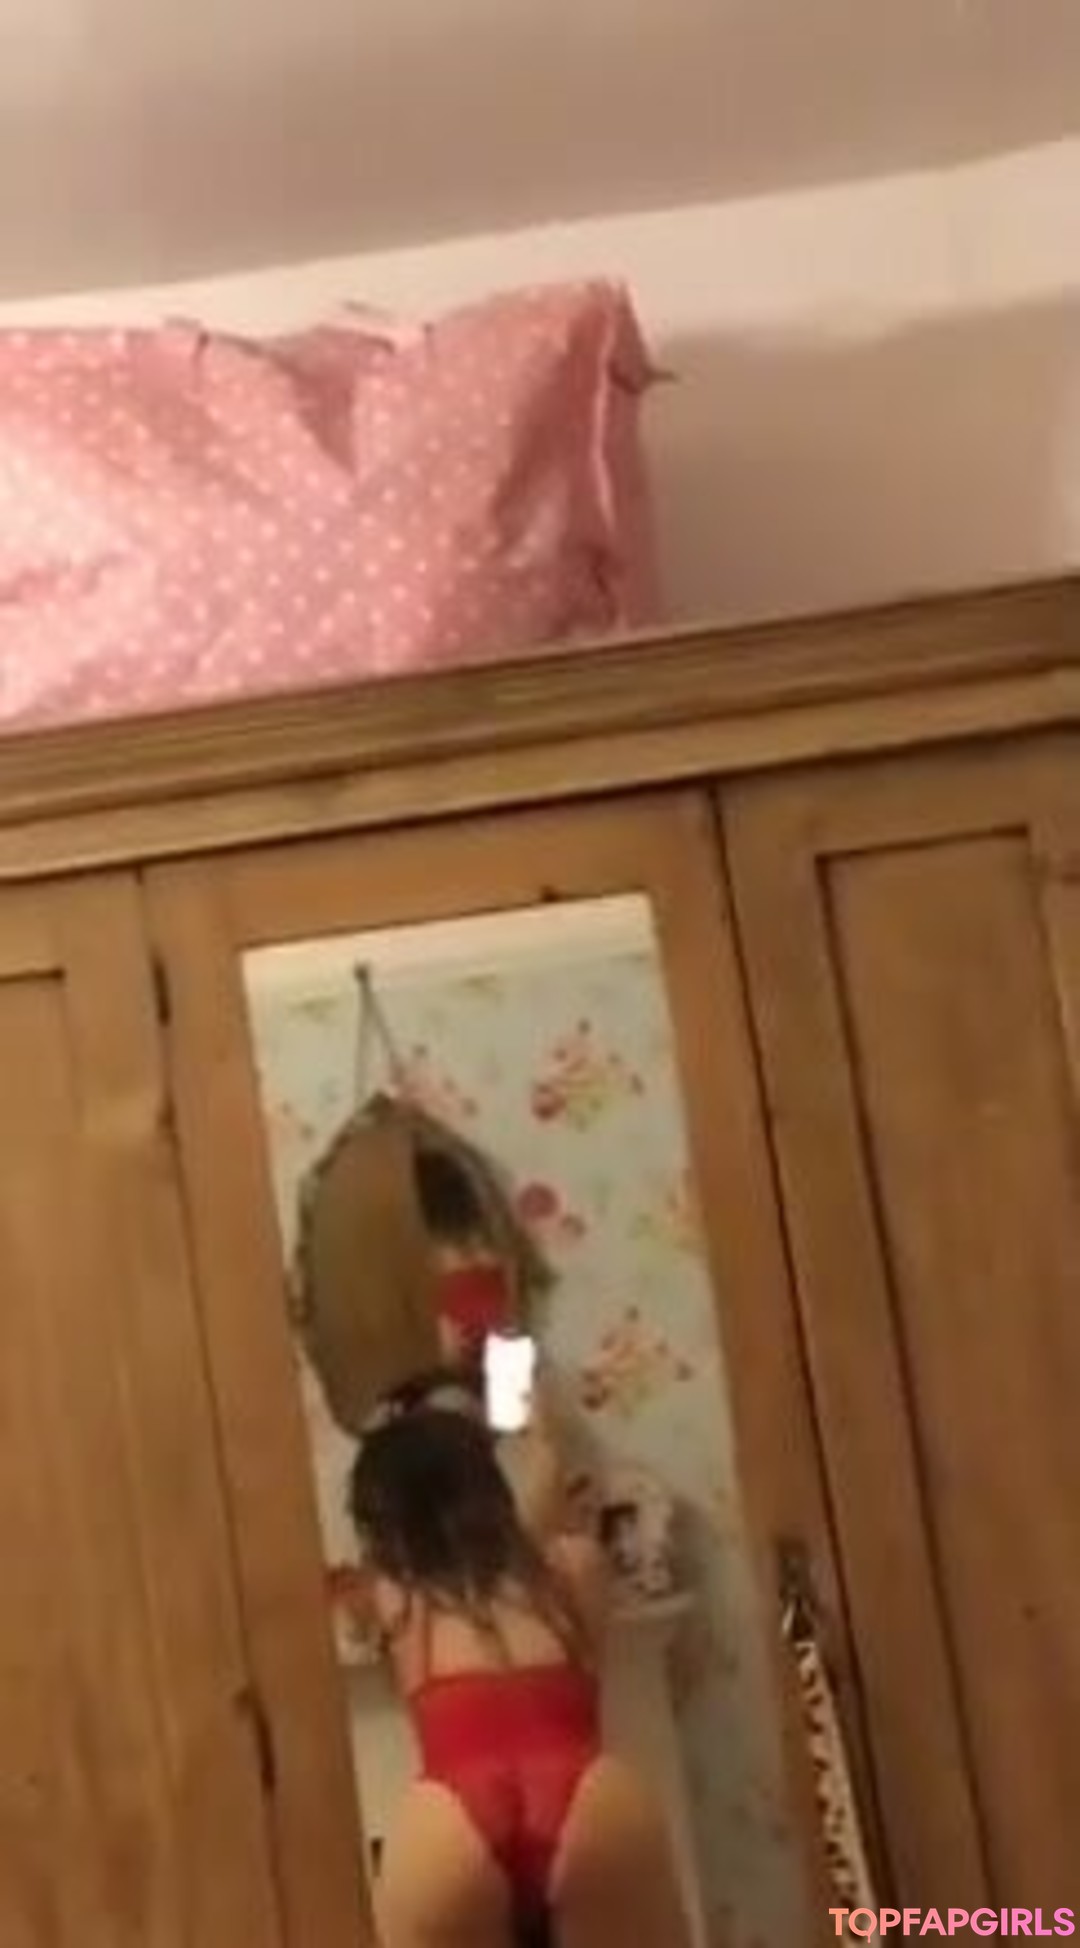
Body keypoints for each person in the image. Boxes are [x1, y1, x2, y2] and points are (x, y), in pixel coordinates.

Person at [347, 1404, 691, 1948]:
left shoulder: (397, 1598)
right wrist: (545, 1439)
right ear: (489, 1484)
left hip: (449, 1825)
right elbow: (527, 1536)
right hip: (592, 1799)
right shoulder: (574, 1568)